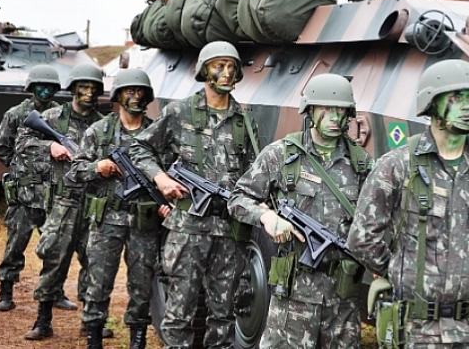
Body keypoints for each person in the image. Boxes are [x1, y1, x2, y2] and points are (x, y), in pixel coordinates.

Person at [347, 59, 469, 348]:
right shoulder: (398, 165)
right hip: (416, 328)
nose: (466, 107)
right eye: (456, 98)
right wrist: (398, 270)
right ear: (432, 104)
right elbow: (362, 238)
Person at [227, 73, 372, 348]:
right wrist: (267, 217)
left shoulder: (363, 165)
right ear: (311, 111)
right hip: (293, 295)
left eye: (340, 110)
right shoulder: (281, 155)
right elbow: (237, 198)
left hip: (342, 299)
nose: (334, 117)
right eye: (326, 109)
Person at [130, 40, 258, 348]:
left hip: (229, 230)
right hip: (188, 228)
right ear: (204, 71)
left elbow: (254, 172)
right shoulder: (180, 112)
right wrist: (161, 179)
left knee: (224, 315)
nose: (226, 73)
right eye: (219, 66)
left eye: (231, 67)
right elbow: (140, 148)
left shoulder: (245, 119)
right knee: (179, 313)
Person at [66, 69, 158, 349]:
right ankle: (94, 337)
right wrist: (98, 167)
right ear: (118, 95)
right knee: (98, 282)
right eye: (129, 91)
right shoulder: (100, 131)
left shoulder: (157, 132)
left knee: (142, 285)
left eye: (140, 92)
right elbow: (73, 173)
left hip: (144, 221)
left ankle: (137, 340)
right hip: (106, 219)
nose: (135, 96)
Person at [18, 63, 109, 340]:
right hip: (63, 203)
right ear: (73, 88)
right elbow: (22, 142)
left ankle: (91, 322)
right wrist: (51, 146)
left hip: (94, 203)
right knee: (54, 261)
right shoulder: (53, 117)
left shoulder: (103, 124)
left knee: (94, 263)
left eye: (94, 88)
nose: (89, 93)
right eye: (83, 87)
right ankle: (43, 320)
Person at [0, 64, 77, 312]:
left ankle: (55, 292)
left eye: (50, 86)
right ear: (31, 87)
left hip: (52, 194)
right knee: (15, 245)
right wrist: (22, 168)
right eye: (40, 86)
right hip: (25, 195)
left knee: (53, 247)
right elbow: (2, 147)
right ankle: (5, 293)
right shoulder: (16, 114)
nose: (45, 90)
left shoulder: (61, 115)